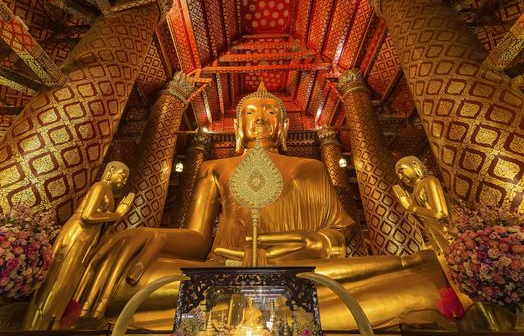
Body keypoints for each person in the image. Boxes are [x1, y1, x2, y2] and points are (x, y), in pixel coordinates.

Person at [31, 84, 450, 331]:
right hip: (219, 267)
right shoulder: (215, 167)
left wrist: (304, 239)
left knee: (413, 275)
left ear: (285, 125)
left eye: (271, 110)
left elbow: (337, 235)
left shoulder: (310, 166)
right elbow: (197, 239)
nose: (261, 115)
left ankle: (406, 274)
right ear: (237, 125)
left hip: (301, 266)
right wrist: (152, 235)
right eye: (250, 111)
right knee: (126, 277)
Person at [23, 161, 135, 329]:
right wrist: (116, 214)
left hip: (87, 240)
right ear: (111, 170)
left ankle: (53, 324)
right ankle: (36, 326)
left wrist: (116, 217)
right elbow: (87, 216)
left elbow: (102, 226)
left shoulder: (110, 194)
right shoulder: (100, 187)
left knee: (67, 286)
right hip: (77, 234)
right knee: (58, 281)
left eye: (126, 179)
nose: (124, 181)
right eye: (122, 175)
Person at [393, 156, 450, 254]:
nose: (401, 177)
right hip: (435, 237)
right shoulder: (415, 191)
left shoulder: (429, 181)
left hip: (447, 232)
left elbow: (440, 214)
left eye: (401, 171)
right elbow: (423, 222)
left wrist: (411, 207)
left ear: (415, 165)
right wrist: (409, 208)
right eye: (398, 176)